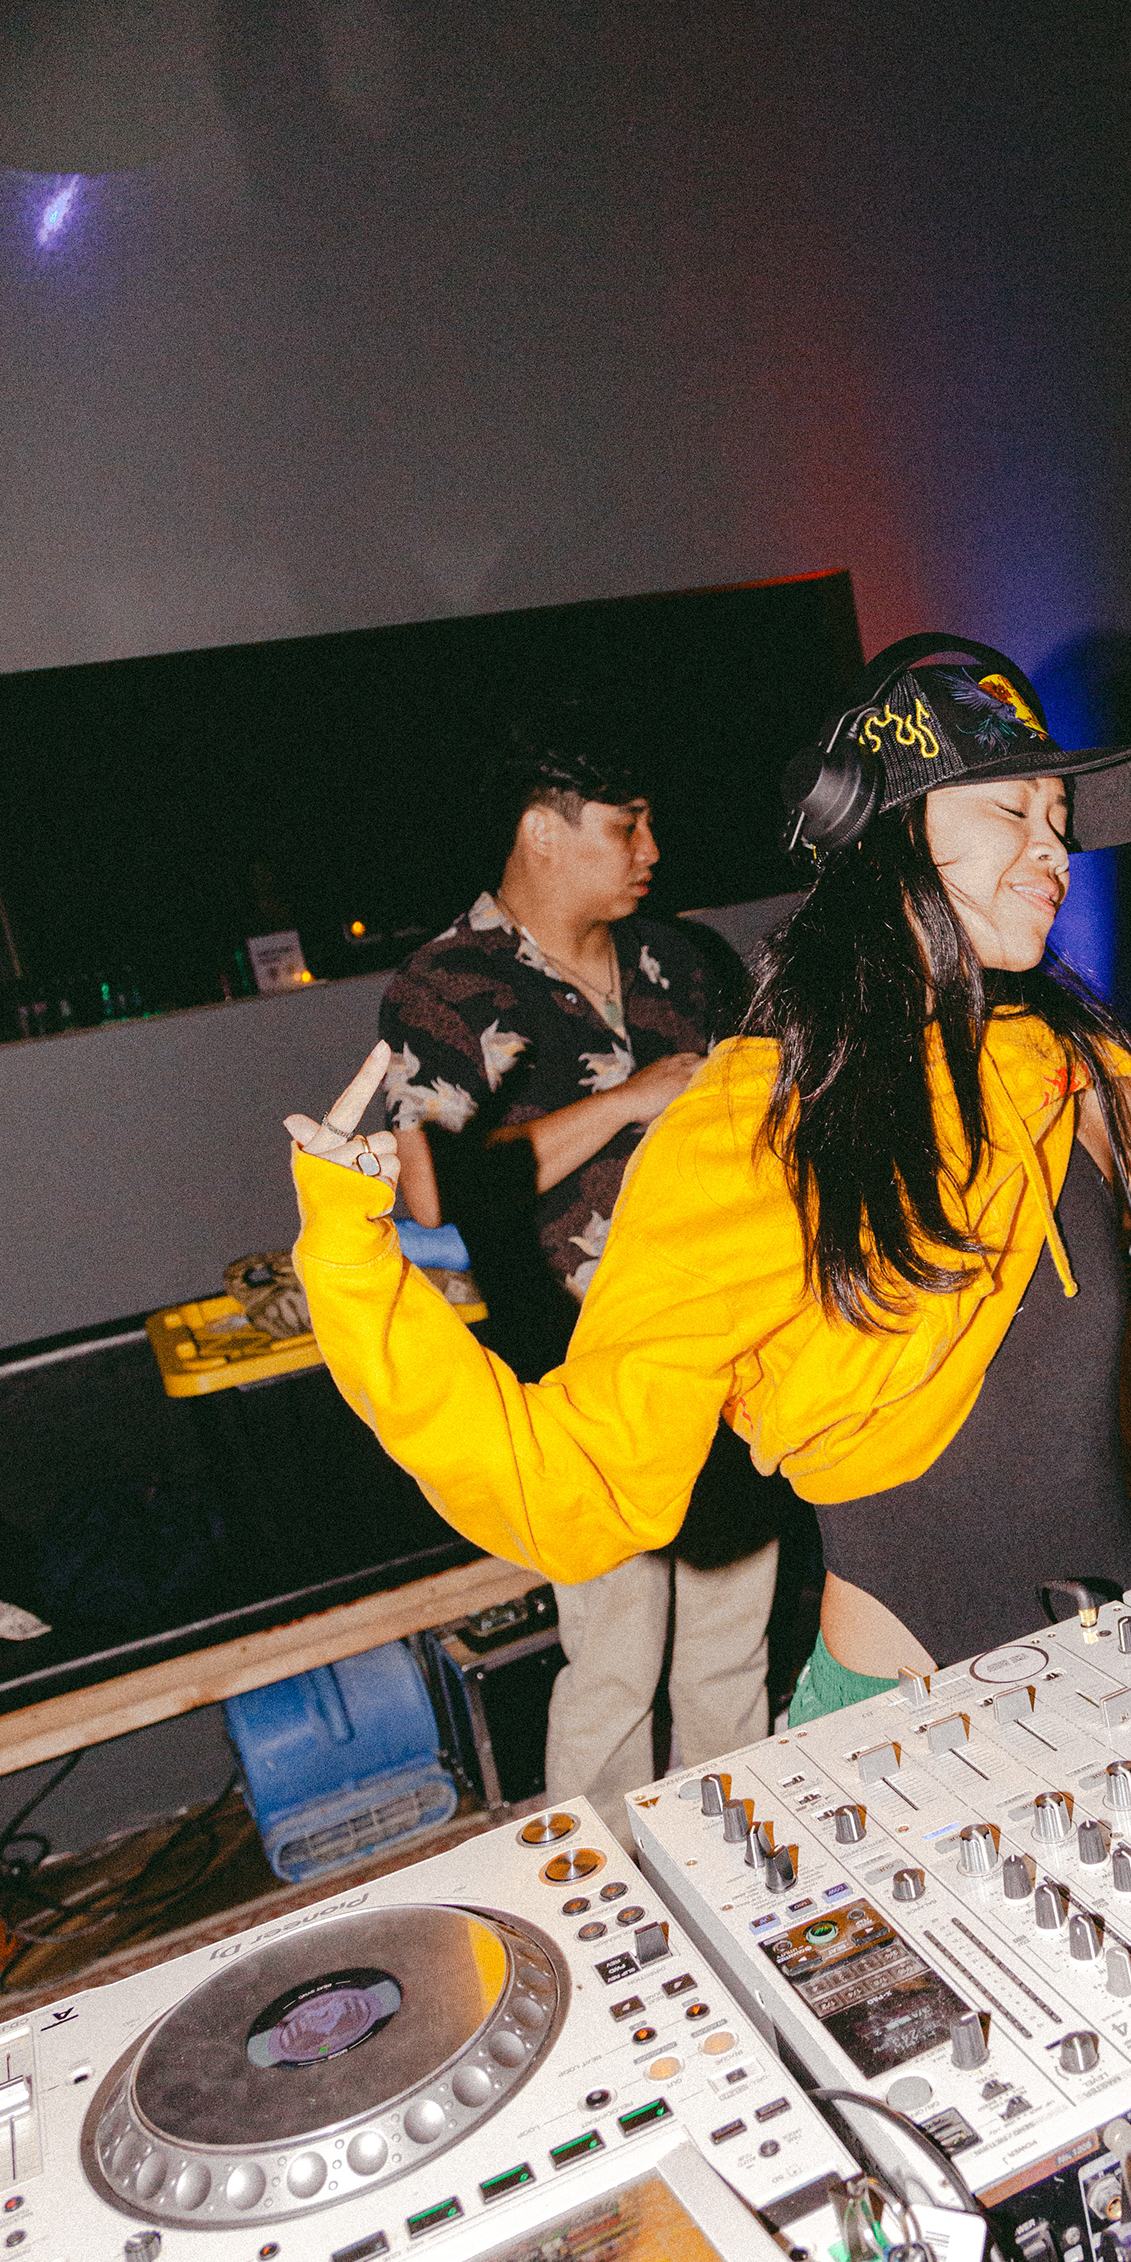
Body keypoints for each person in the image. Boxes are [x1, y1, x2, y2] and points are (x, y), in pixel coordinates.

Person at [288, 636, 1131, 1741]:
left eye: (1060, 821)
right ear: (881, 833)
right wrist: (355, 1269)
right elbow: (577, 1477)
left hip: (1129, 1673)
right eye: (1011, 811)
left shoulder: (1078, 1076)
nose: (1054, 852)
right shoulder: (756, 1129)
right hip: (901, 1721)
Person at [376, 705, 781, 1819]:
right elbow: (432, 1192)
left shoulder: (679, 960)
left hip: (720, 1347)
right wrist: (631, 1102)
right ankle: (603, 1878)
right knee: (613, 1665)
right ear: (542, 830)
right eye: (625, 824)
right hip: (580, 1373)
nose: (651, 848)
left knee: (730, 1652)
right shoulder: (448, 985)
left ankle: (738, 1857)